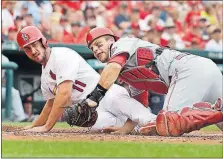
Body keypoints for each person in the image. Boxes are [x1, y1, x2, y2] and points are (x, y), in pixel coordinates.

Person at [81, 27, 223, 137]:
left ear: (111, 41)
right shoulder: (128, 74)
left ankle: (214, 112)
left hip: (188, 70)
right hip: (204, 69)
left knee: (166, 125)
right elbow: (141, 105)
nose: (96, 50)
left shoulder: (121, 44)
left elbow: (113, 67)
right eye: (93, 49)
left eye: (99, 44)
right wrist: (125, 128)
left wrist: (94, 97)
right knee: (160, 126)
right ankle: (218, 110)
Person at [16, 26, 157, 134]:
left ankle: (154, 121)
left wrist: (47, 127)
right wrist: (35, 126)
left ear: (43, 41)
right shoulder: (45, 77)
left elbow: (64, 94)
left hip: (104, 95)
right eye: (28, 48)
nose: (33, 50)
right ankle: (136, 128)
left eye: (35, 44)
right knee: (101, 128)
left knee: (118, 99)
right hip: (92, 111)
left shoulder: (61, 55)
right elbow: (50, 104)